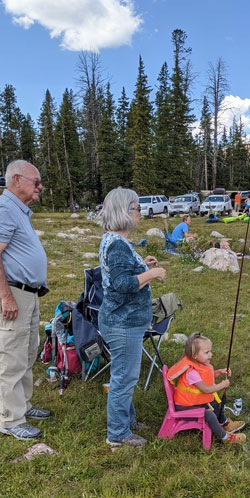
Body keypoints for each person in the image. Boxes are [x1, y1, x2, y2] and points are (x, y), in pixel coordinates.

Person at [0, 160, 50, 441]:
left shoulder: (19, 211)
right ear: (18, 179)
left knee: (26, 351)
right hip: (10, 292)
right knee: (10, 355)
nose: (40, 187)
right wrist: (6, 297)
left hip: (26, 293)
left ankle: (24, 406)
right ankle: (10, 420)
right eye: (36, 181)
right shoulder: (2, 209)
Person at [97, 187, 166, 448]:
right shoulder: (117, 245)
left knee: (125, 375)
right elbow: (123, 284)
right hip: (122, 322)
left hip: (122, 320)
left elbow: (121, 273)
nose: (140, 213)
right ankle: (118, 434)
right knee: (123, 378)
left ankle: (126, 420)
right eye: (137, 208)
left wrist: (143, 265)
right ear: (124, 212)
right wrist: (153, 273)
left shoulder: (116, 241)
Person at [167, 333, 246, 444]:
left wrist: (218, 372)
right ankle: (225, 438)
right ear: (195, 355)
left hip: (191, 403)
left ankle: (226, 423)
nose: (210, 355)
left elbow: (204, 379)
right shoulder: (192, 372)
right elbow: (206, 389)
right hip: (184, 408)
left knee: (213, 403)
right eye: (206, 352)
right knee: (208, 415)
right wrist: (222, 385)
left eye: (210, 351)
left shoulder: (199, 366)